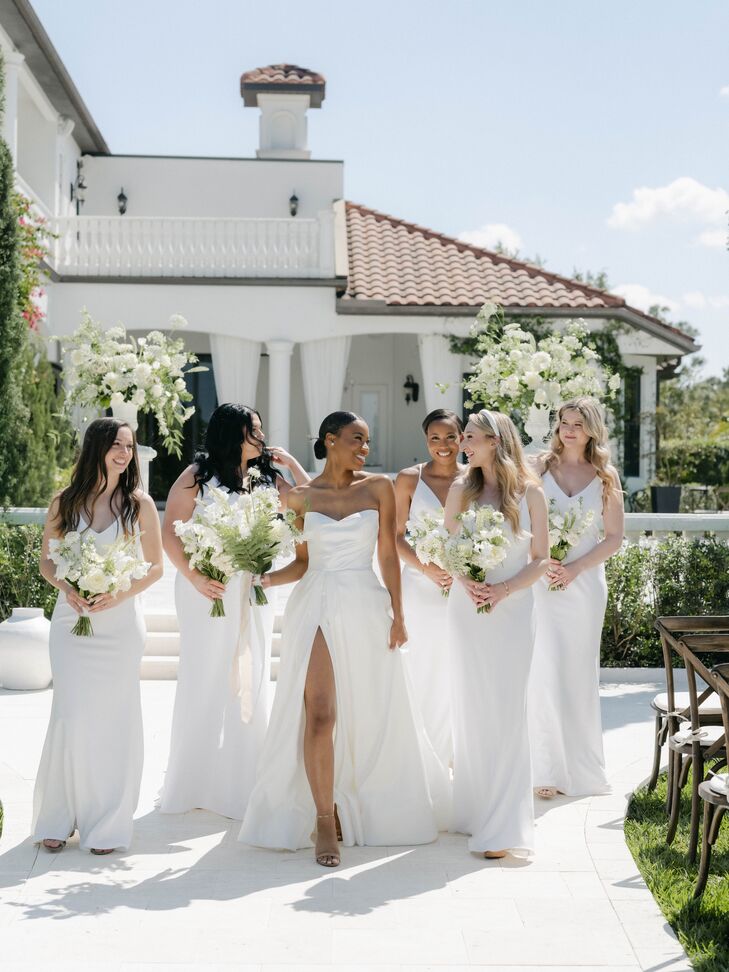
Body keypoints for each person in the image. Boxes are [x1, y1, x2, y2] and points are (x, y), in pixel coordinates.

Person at [240, 411, 446, 867]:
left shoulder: (378, 488)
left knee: (368, 712)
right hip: (313, 604)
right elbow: (301, 563)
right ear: (330, 440)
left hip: (365, 605)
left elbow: (389, 553)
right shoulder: (298, 498)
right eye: (357, 439)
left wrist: (399, 613)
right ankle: (323, 819)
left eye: (367, 442)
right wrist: (267, 580)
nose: (365, 449)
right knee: (319, 713)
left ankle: (367, 799)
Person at [159, 403, 309, 819]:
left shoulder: (268, 477)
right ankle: (194, 780)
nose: (260, 437)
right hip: (206, 588)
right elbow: (171, 532)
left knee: (252, 673)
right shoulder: (197, 476)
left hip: (253, 589)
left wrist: (293, 463)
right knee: (204, 674)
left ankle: (243, 779)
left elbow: (310, 503)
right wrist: (194, 576)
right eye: (252, 430)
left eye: (261, 429)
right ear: (232, 433)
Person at [34, 418, 164, 854]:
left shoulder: (139, 504)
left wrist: (119, 593)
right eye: (116, 445)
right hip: (71, 623)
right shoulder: (64, 503)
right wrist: (69, 590)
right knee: (70, 715)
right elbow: (47, 564)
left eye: (129, 446)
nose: (125, 453)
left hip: (120, 624)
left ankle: (107, 822)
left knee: (113, 719)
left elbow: (156, 567)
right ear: (97, 448)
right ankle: (59, 814)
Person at [445, 409, 548, 858]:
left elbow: (541, 559)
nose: (462, 442)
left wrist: (503, 589)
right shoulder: (459, 489)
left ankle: (504, 827)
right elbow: (446, 549)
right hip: (467, 608)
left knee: (506, 711)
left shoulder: (530, 494)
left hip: (512, 608)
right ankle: (474, 808)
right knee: (471, 705)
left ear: (495, 440)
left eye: (470, 435)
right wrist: (466, 582)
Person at [528, 397, 624, 798]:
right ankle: (545, 770)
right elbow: (515, 515)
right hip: (541, 583)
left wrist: (574, 569)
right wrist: (541, 560)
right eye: (564, 422)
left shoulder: (605, 475)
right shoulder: (537, 467)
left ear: (592, 430)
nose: (569, 429)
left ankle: (581, 769)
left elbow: (615, 538)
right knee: (542, 669)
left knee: (577, 672)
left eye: (578, 424)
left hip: (583, 586)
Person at [395, 408, 465, 769]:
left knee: (459, 665)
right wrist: (428, 569)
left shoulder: (475, 478)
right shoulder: (409, 479)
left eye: (450, 437)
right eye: (435, 438)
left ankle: (457, 750)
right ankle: (424, 755)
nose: (443, 445)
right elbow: (393, 537)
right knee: (424, 664)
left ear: (462, 438)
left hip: (464, 588)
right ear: (426, 440)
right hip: (421, 587)